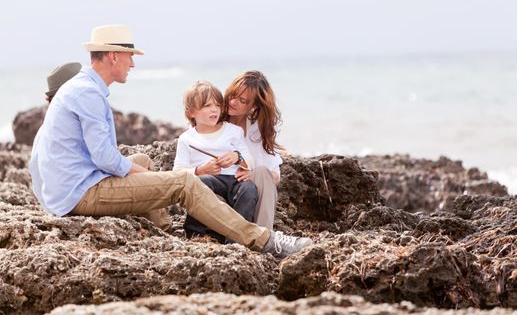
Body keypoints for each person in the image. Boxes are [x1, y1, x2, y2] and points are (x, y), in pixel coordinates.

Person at [28, 24, 311, 258]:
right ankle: (264, 241)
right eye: (130, 56)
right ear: (113, 56)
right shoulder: (87, 93)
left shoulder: (79, 88)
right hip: (83, 193)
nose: (133, 63)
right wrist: (158, 178)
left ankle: (165, 230)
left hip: (68, 191)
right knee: (183, 181)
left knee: (141, 160)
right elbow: (105, 158)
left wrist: (51, 199)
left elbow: (37, 158)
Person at [173, 81, 258, 240]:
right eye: (207, 106)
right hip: (209, 181)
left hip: (234, 180)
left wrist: (237, 157)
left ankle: (236, 239)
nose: (214, 109)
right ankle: (194, 234)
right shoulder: (186, 139)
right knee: (202, 182)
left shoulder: (234, 131)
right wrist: (199, 170)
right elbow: (177, 172)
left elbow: (250, 160)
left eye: (218, 105)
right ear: (192, 112)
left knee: (249, 189)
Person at [222, 71, 283, 230]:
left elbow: (275, 177)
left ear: (253, 106)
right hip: (220, 192)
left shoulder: (257, 130)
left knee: (263, 172)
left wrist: (253, 175)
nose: (233, 102)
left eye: (242, 100)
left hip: (249, 195)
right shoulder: (214, 119)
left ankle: (264, 235)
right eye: (233, 95)